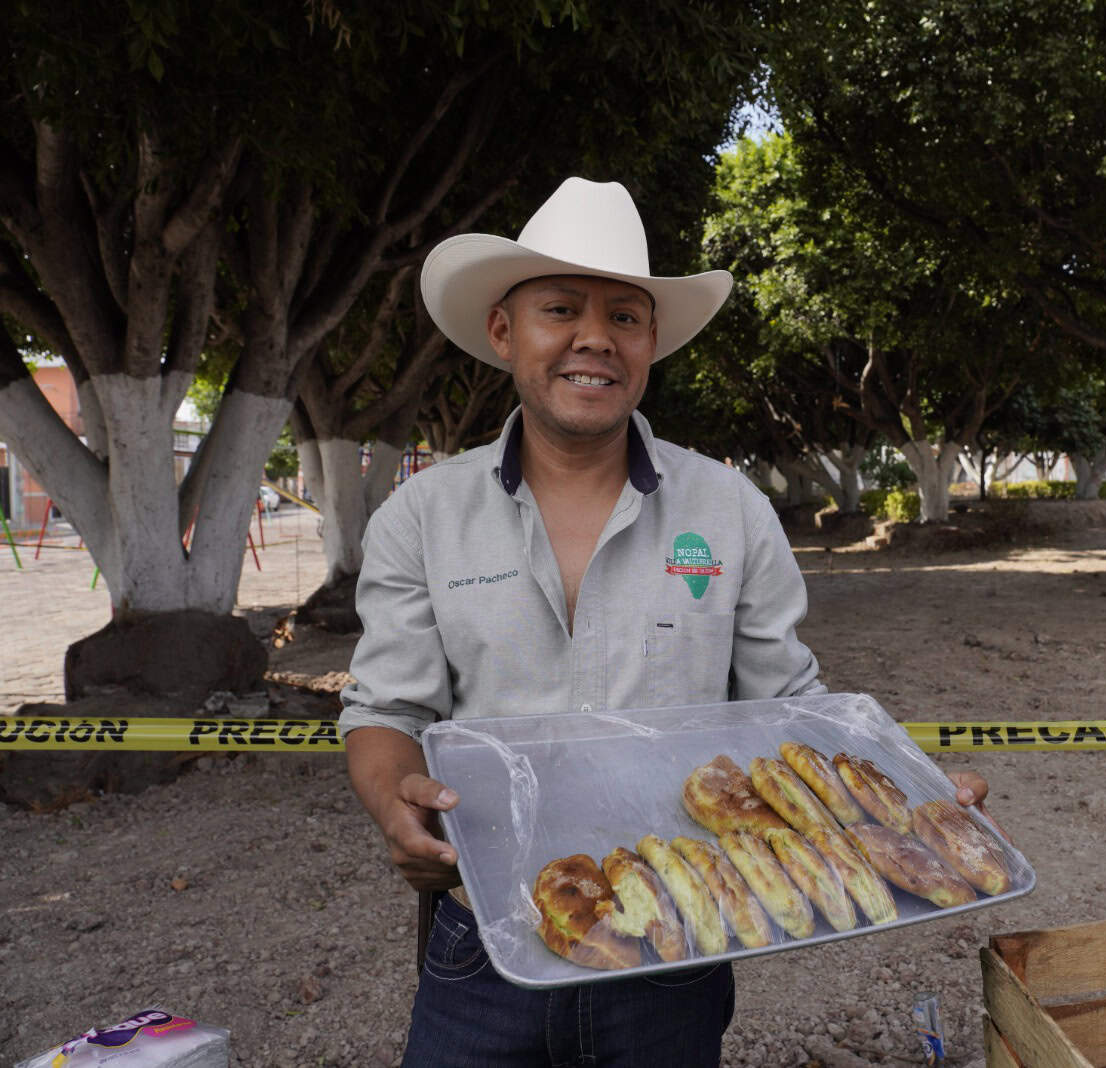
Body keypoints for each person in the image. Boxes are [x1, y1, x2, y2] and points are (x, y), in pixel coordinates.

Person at [338, 177, 994, 1066]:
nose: (594, 338)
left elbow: (792, 710)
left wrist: (910, 794)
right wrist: (395, 805)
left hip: (678, 931)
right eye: (560, 309)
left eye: (625, 316)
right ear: (503, 330)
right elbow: (386, 710)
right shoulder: (422, 518)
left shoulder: (729, 511)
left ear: (649, 342)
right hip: (483, 938)